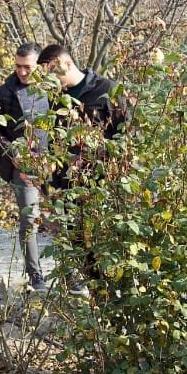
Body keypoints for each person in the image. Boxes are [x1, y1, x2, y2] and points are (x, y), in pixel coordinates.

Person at [37, 43, 125, 294]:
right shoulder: (56, 99)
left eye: (52, 73)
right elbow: (54, 144)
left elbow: (125, 134)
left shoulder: (106, 89)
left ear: (66, 63)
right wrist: (53, 185)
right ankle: (97, 299)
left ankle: (114, 300)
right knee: (81, 248)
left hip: (103, 187)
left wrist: (110, 168)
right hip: (71, 189)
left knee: (108, 249)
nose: (50, 81)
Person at [0, 43, 50, 290]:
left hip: (53, 164)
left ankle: (72, 275)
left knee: (63, 218)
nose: (22, 72)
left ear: (40, 66)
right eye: (18, 66)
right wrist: (11, 151)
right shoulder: (4, 92)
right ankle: (35, 274)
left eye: (27, 67)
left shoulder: (53, 89)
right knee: (30, 218)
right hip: (22, 166)